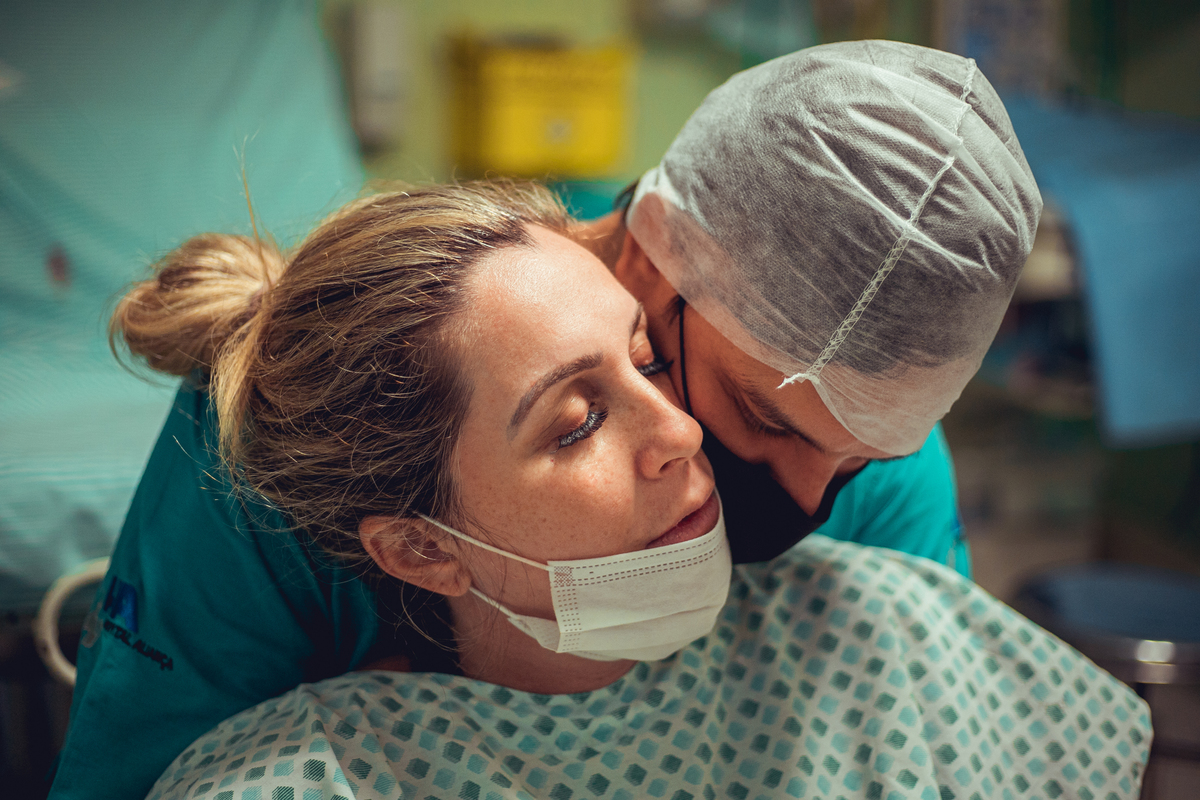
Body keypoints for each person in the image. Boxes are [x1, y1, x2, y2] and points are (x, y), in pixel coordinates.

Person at [52, 41, 1039, 799]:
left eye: (861, 456)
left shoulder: (878, 464)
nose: (811, 499)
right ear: (652, 258)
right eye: (755, 414)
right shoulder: (293, 429)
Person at [127, 182, 1148, 800]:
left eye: (648, 361)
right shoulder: (293, 776)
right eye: (575, 422)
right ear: (421, 547)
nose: (680, 428)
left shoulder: (881, 636)